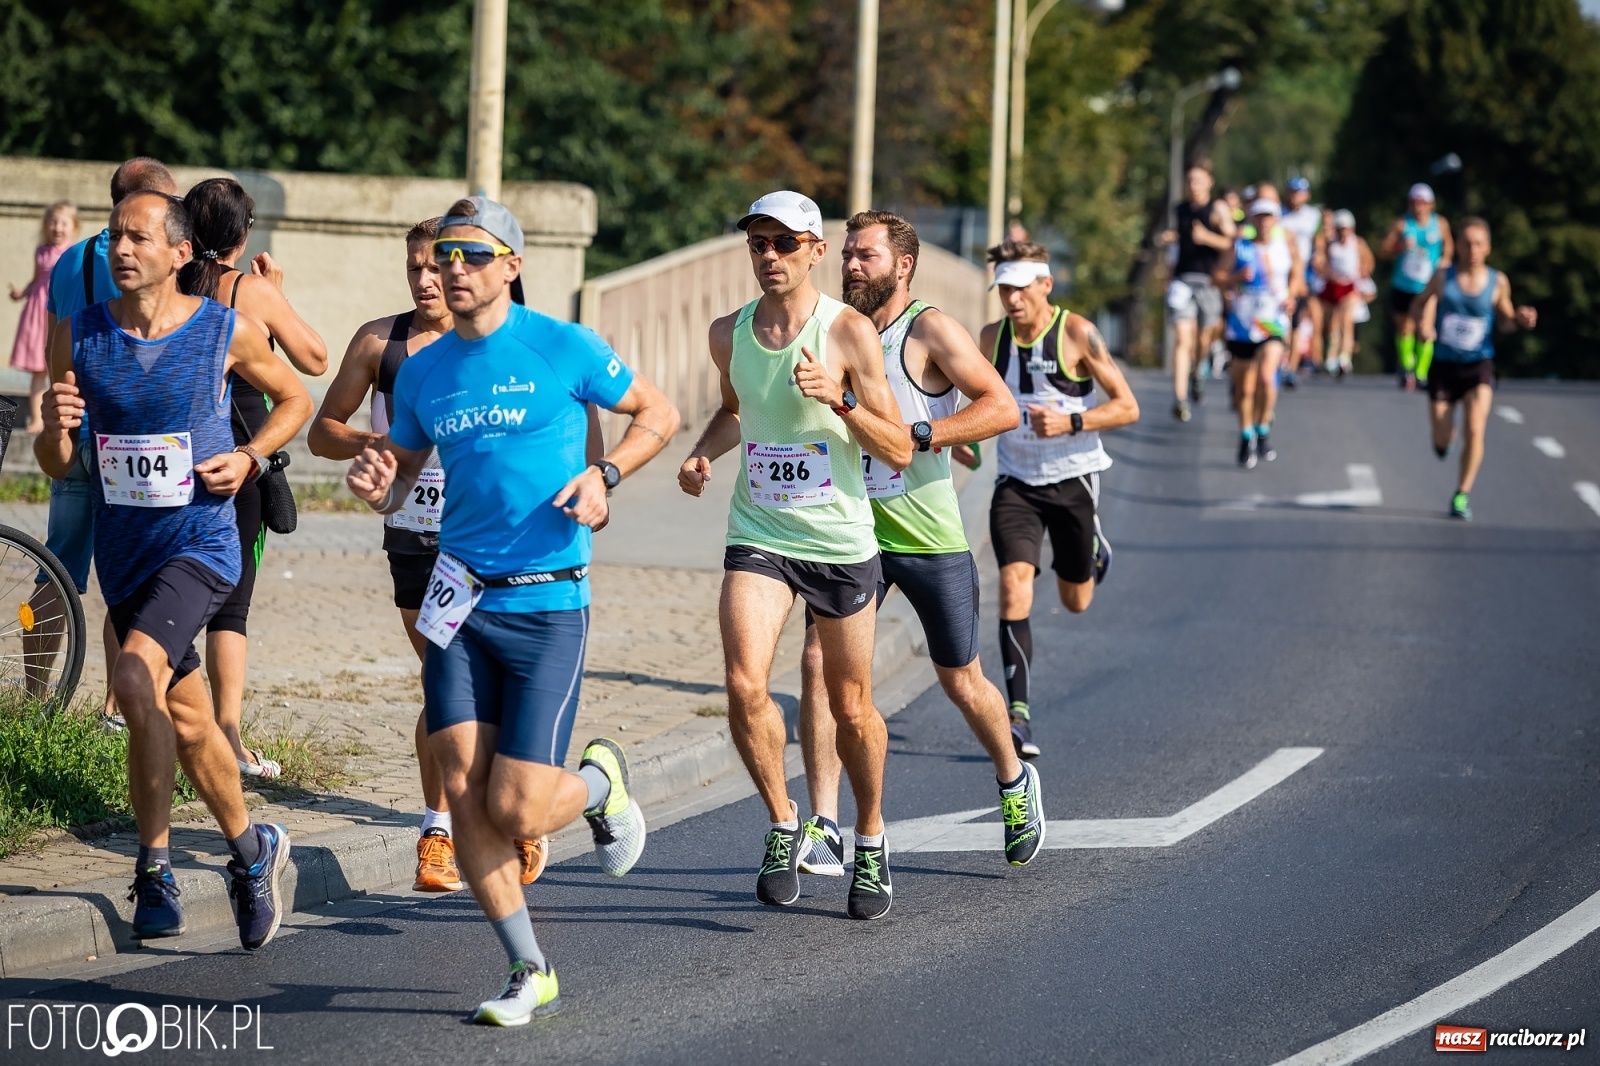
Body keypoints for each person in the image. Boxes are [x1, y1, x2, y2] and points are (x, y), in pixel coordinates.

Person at [345, 195, 678, 1025]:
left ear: (512, 267)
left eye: (471, 255)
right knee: (463, 796)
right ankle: (530, 968)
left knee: (518, 807)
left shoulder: (561, 346)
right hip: (456, 599)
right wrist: (379, 486)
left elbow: (659, 414)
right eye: (444, 257)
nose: (452, 269)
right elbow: (401, 477)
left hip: (546, 603)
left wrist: (605, 478)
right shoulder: (421, 370)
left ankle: (600, 786)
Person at [35, 190, 312, 949]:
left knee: (131, 678)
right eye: (113, 236)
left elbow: (295, 397)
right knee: (187, 721)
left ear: (179, 252)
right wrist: (58, 433)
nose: (121, 249)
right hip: (127, 556)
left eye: (138, 237)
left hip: (199, 546)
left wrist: (251, 457)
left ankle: (153, 871)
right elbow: (59, 462)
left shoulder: (225, 329)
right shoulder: (80, 335)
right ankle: (254, 852)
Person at [677, 191, 912, 919]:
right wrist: (701, 453)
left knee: (851, 706)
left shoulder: (847, 335)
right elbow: (736, 407)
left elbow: (899, 447)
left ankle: (868, 840)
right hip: (761, 532)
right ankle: (784, 821)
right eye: (758, 244)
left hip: (840, 543)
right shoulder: (728, 333)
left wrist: (839, 401)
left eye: (784, 243)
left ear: (816, 249)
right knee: (746, 684)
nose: (769, 256)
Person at [793, 210, 1043, 876]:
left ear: (902, 265)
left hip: (929, 534)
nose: (849, 265)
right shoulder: (833, 330)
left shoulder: (928, 328)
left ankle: (1014, 779)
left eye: (864, 255)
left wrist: (928, 433)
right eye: (846, 254)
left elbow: (1001, 407)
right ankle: (822, 821)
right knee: (820, 663)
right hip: (851, 533)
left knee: (961, 681)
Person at [311, 217, 484, 894]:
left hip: (486, 536)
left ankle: (448, 829)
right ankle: (451, 824)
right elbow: (323, 431)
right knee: (447, 678)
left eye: (435, 267)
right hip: (413, 532)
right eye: (413, 268)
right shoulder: (381, 342)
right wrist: (380, 446)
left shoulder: (492, 340)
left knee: (465, 680)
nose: (424, 280)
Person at [178, 177, 328, 782]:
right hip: (237, 455)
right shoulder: (246, 290)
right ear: (242, 235)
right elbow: (314, 359)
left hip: (173, 448)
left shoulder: (172, 282)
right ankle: (228, 737)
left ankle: (129, 709)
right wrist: (274, 296)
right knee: (230, 608)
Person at [27, 158, 179, 720]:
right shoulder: (150, 257)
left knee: (56, 569)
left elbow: (51, 342)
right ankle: (121, 707)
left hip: (71, 432)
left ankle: (36, 693)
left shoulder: (68, 259)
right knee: (130, 570)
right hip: (123, 435)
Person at [979, 241, 1139, 759]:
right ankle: (1018, 716)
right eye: (1003, 289)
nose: (1011, 299)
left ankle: (1093, 549)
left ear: (1046, 285)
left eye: (1021, 288)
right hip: (1016, 483)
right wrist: (956, 441)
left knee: (1076, 601)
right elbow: (969, 399)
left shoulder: (1077, 332)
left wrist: (1072, 420)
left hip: (1073, 479)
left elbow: (1127, 406)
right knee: (1012, 586)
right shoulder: (990, 338)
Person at [1411, 217, 1536, 521]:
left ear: (1488, 247)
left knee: (1475, 428)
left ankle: (1461, 494)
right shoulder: (1443, 277)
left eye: (1479, 243)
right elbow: (1418, 305)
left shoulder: (1498, 281)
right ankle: (1444, 442)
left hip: (1478, 364)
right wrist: (1424, 325)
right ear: (1459, 245)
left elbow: (1504, 321)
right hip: (1443, 365)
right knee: (1442, 436)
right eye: (1467, 243)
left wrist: (1519, 319)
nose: (1472, 250)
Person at [1217, 198, 1302, 468]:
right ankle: (1246, 435)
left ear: (1275, 220)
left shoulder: (1285, 245)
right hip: (1242, 323)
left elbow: (1297, 274)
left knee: (1267, 377)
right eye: (1259, 217)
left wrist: (1292, 296)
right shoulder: (1240, 247)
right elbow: (1216, 276)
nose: (1264, 222)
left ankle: (1263, 428)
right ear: (1252, 220)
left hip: (1272, 322)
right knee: (1245, 388)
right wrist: (1235, 278)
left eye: (1269, 217)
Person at [1162, 164, 1234, 422]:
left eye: (1198, 181)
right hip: (1182, 280)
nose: (1193, 185)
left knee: (1204, 338)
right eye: (1190, 180)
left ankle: (1197, 373)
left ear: (1209, 183)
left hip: (1208, 282)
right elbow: (1181, 243)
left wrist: (1206, 237)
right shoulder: (1180, 209)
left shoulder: (1217, 209)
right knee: (1183, 340)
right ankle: (1180, 399)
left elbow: (1230, 241)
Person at [10, 201, 78, 432]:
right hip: (36, 314)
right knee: (38, 369)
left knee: (58, 368)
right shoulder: (40, 251)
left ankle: (60, 419)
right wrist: (22, 293)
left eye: (63, 223)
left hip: (58, 312)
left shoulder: (73, 252)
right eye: (53, 222)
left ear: (73, 227)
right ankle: (37, 418)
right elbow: (36, 279)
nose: (57, 227)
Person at [1381, 183, 1453, 391]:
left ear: (1431, 204)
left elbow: (1448, 246)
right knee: (1405, 328)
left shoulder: (1439, 224)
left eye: (1422, 203)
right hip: (1403, 284)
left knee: (1426, 328)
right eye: (1414, 203)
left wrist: (1445, 261)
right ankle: (1407, 367)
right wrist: (1400, 246)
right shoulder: (1402, 224)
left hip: (1428, 285)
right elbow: (1384, 250)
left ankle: (1421, 373)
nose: (1418, 207)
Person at [1315, 210, 1375, 379]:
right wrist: (1329, 274)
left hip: (1350, 287)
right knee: (1332, 323)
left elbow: (1368, 262)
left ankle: (1344, 358)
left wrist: (1361, 273)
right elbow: (1323, 264)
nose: (1343, 232)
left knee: (1346, 321)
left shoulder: (1357, 243)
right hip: (1333, 286)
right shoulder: (1330, 243)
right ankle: (1331, 357)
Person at [1281, 177, 1324, 377]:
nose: (1295, 196)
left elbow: (1320, 240)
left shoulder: (1314, 216)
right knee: (1285, 316)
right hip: (1281, 270)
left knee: (1299, 318)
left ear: (1307, 194)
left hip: (1304, 271)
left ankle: (1292, 365)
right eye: (1292, 191)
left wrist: (1320, 255)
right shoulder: (1278, 214)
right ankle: (1284, 359)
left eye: (1299, 192)